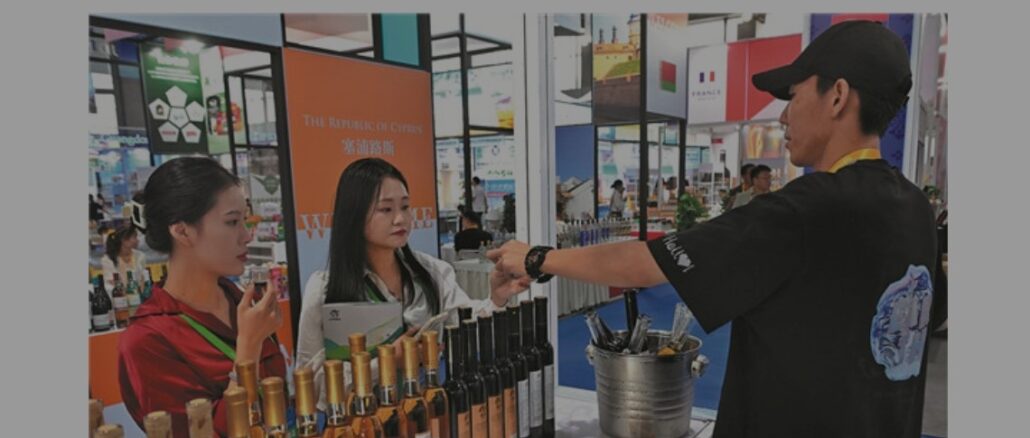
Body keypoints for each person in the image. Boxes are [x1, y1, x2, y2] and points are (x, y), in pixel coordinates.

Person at [488, 21, 942, 437]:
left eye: (794, 96)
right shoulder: (916, 210)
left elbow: (643, 264)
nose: (783, 116)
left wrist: (537, 258)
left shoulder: (805, 210)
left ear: (837, 96)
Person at [297, 158, 530, 410]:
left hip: (423, 416)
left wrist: (496, 299)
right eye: (386, 209)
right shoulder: (324, 289)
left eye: (406, 207)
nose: (400, 219)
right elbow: (310, 385)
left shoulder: (431, 271)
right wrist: (385, 363)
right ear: (354, 214)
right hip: (359, 424)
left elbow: (466, 323)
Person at [117, 157, 286, 437]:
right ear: (182, 231)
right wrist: (248, 348)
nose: (246, 236)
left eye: (245, 220)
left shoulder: (242, 303)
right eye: (232, 222)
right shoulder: (148, 340)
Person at [101, 225, 148, 289]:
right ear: (124, 240)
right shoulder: (107, 259)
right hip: (117, 292)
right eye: (134, 237)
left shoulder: (140, 256)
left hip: (138, 291)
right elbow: (111, 282)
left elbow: (143, 279)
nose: (138, 240)